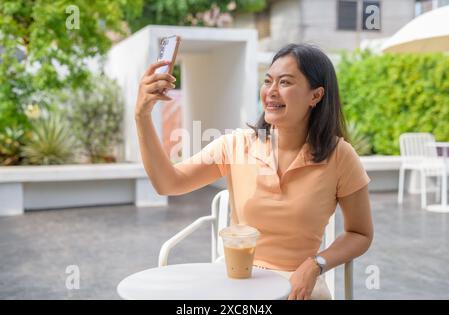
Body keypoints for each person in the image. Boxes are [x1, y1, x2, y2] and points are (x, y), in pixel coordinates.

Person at [134, 43, 374, 300]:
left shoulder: (340, 156)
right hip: (240, 280)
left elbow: (360, 233)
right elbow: (168, 183)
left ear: (315, 96)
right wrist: (142, 116)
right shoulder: (236, 145)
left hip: (298, 284)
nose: (271, 91)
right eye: (268, 81)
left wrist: (317, 264)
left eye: (285, 82)